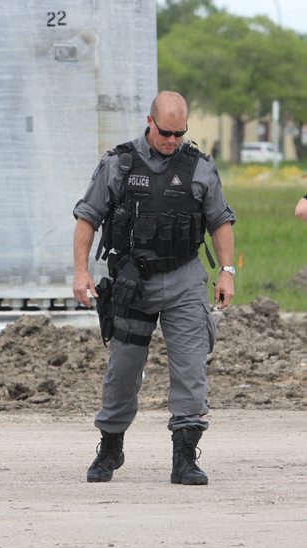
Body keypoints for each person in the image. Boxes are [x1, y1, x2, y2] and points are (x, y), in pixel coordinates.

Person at [73, 91, 236, 485]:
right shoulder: (120, 163)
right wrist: (81, 272)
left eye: (180, 133)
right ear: (150, 121)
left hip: (184, 278)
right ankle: (110, 449)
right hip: (133, 281)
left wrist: (227, 270)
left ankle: (185, 457)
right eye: (166, 132)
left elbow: (220, 220)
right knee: (124, 370)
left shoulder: (199, 167)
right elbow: (87, 218)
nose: (172, 140)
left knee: (191, 367)